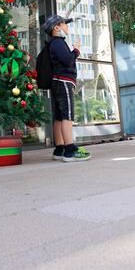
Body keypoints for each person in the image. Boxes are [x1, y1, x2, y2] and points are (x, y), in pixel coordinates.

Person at [43, 14, 91, 162]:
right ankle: (69, 150)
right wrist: (76, 51)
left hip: (58, 81)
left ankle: (60, 149)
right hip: (63, 81)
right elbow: (68, 60)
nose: (67, 26)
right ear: (56, 28)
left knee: (59, 116)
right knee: (67, 115)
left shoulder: (54, 43)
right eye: (64, 24)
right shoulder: (58, 43)